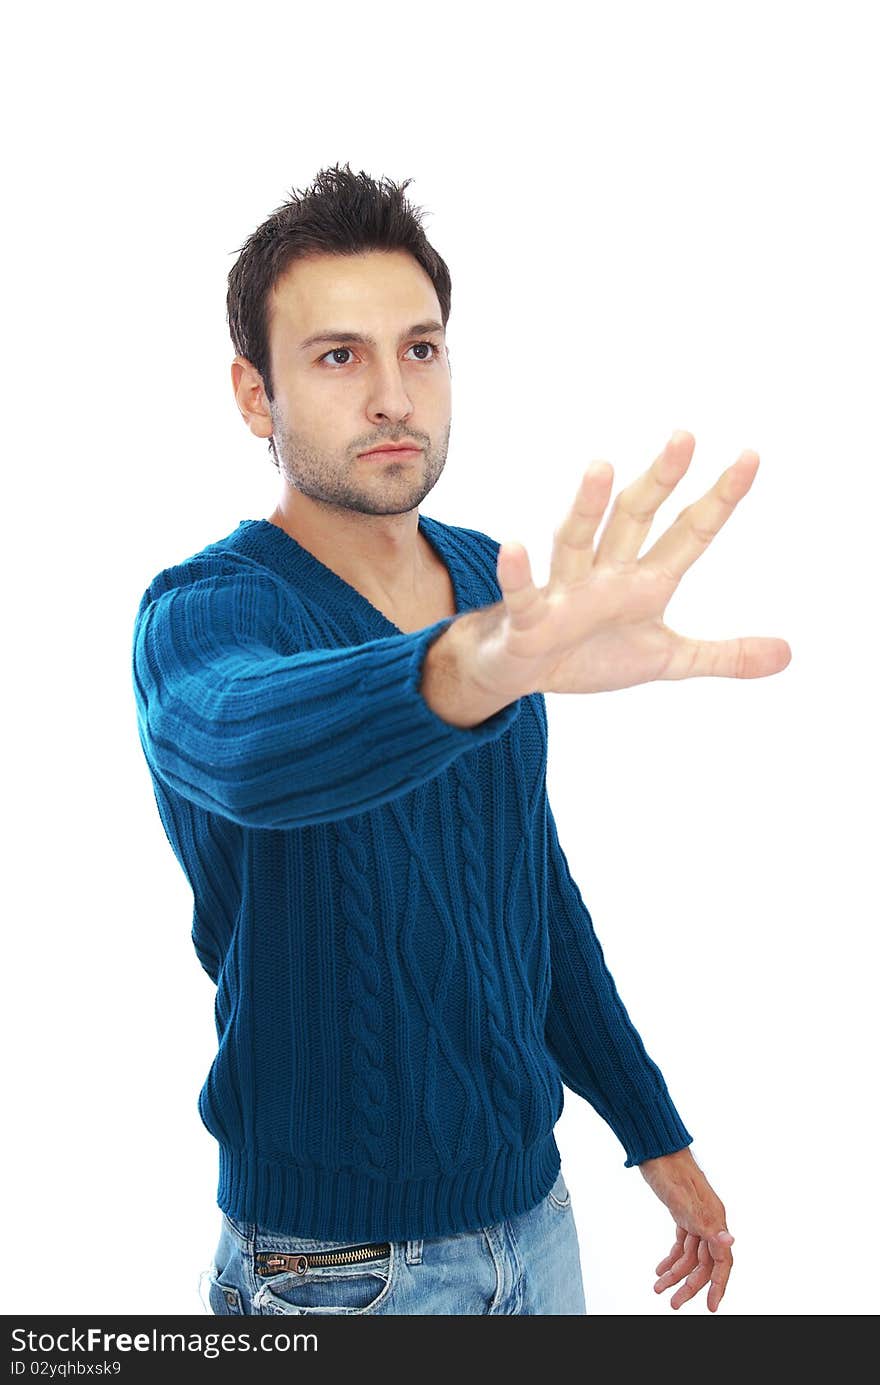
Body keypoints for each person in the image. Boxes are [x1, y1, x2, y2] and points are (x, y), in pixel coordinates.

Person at [131, 162, 790, 1317]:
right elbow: (248, 744)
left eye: (419, 349)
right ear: (254, 394)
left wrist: (651, 1130)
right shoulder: (204, 613)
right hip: (333, 1271)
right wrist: (461, 669)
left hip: (536, 1226)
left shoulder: (491, 580)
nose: (392, 394)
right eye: (338, 356)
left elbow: (521, 890)